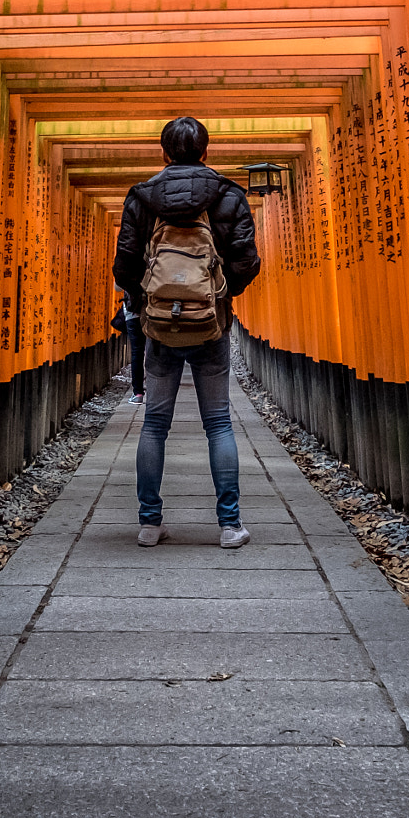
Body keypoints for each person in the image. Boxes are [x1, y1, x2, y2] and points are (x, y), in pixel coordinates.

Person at [112, 116, 261, 548]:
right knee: (218, 423)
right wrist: (218, 295)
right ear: (206, 151)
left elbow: (125, 262)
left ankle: (148, 523)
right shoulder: (228, 194)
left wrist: (146, 304)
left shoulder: (142, 196)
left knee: (155, 424)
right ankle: (230, 525)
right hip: (211, 324)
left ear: (163, 153)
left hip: (158, 326)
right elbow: (246, 259)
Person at [109, 292, 146, 402]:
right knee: (155, 351)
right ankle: (157, 390)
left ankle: (138, 393)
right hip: (156, 312)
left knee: (137, 353)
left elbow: (117, 286)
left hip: (134, 311)